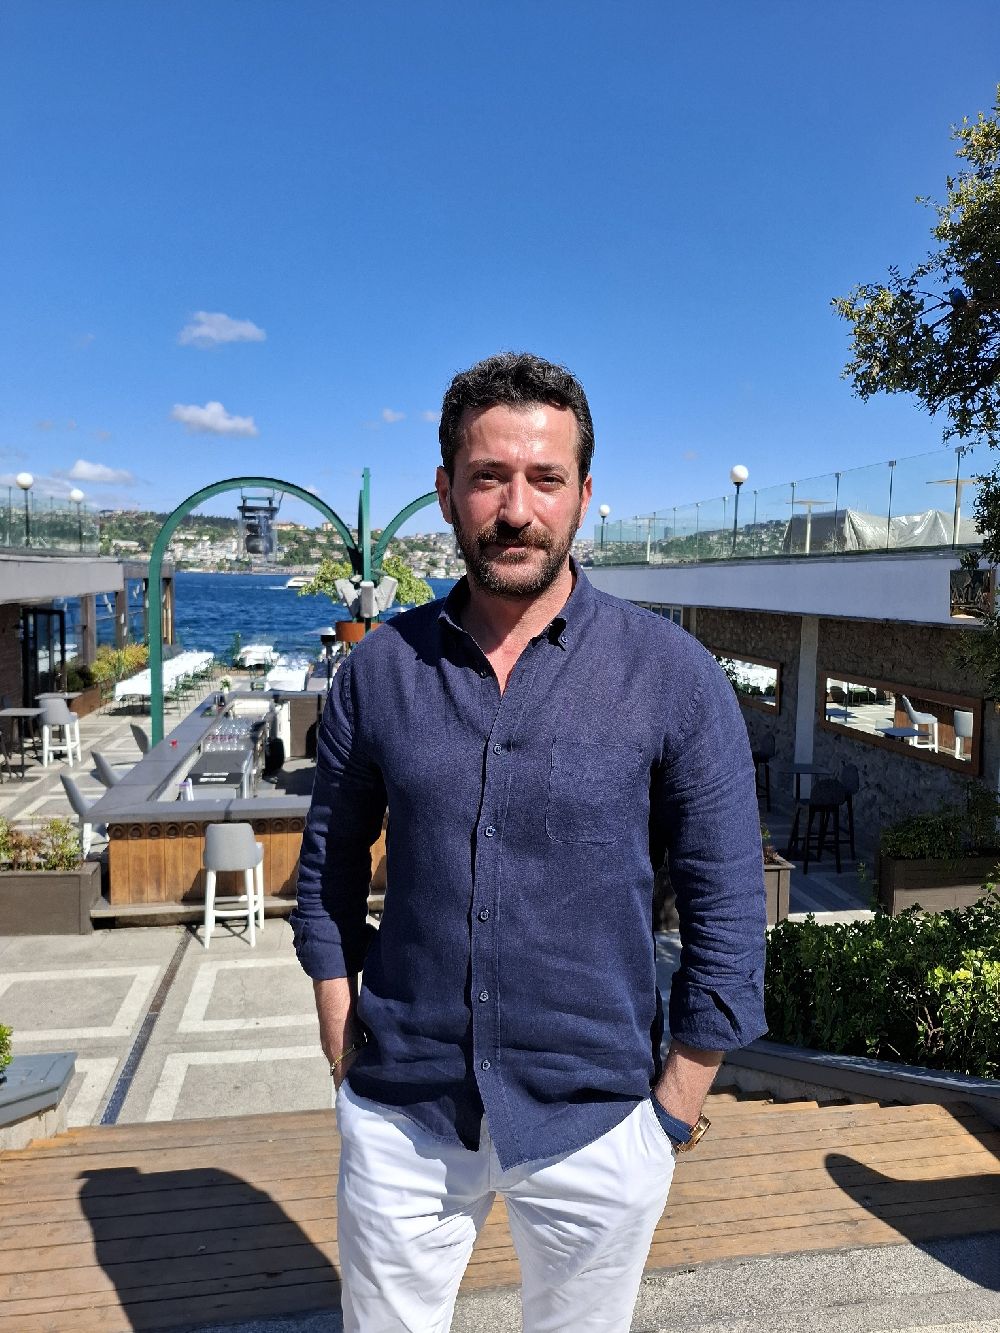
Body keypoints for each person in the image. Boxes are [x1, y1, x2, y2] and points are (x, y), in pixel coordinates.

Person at [291, 351, 767, 1332]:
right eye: (488, 477)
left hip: (600, 1120)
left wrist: (674, 1109)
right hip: (402, 1112)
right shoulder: (378, 673)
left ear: (583, 494)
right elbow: (327, 869)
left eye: (545, 478)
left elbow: (726, 904)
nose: (516, 509)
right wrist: (340, 1027)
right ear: (446, 491)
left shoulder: (674, 677)